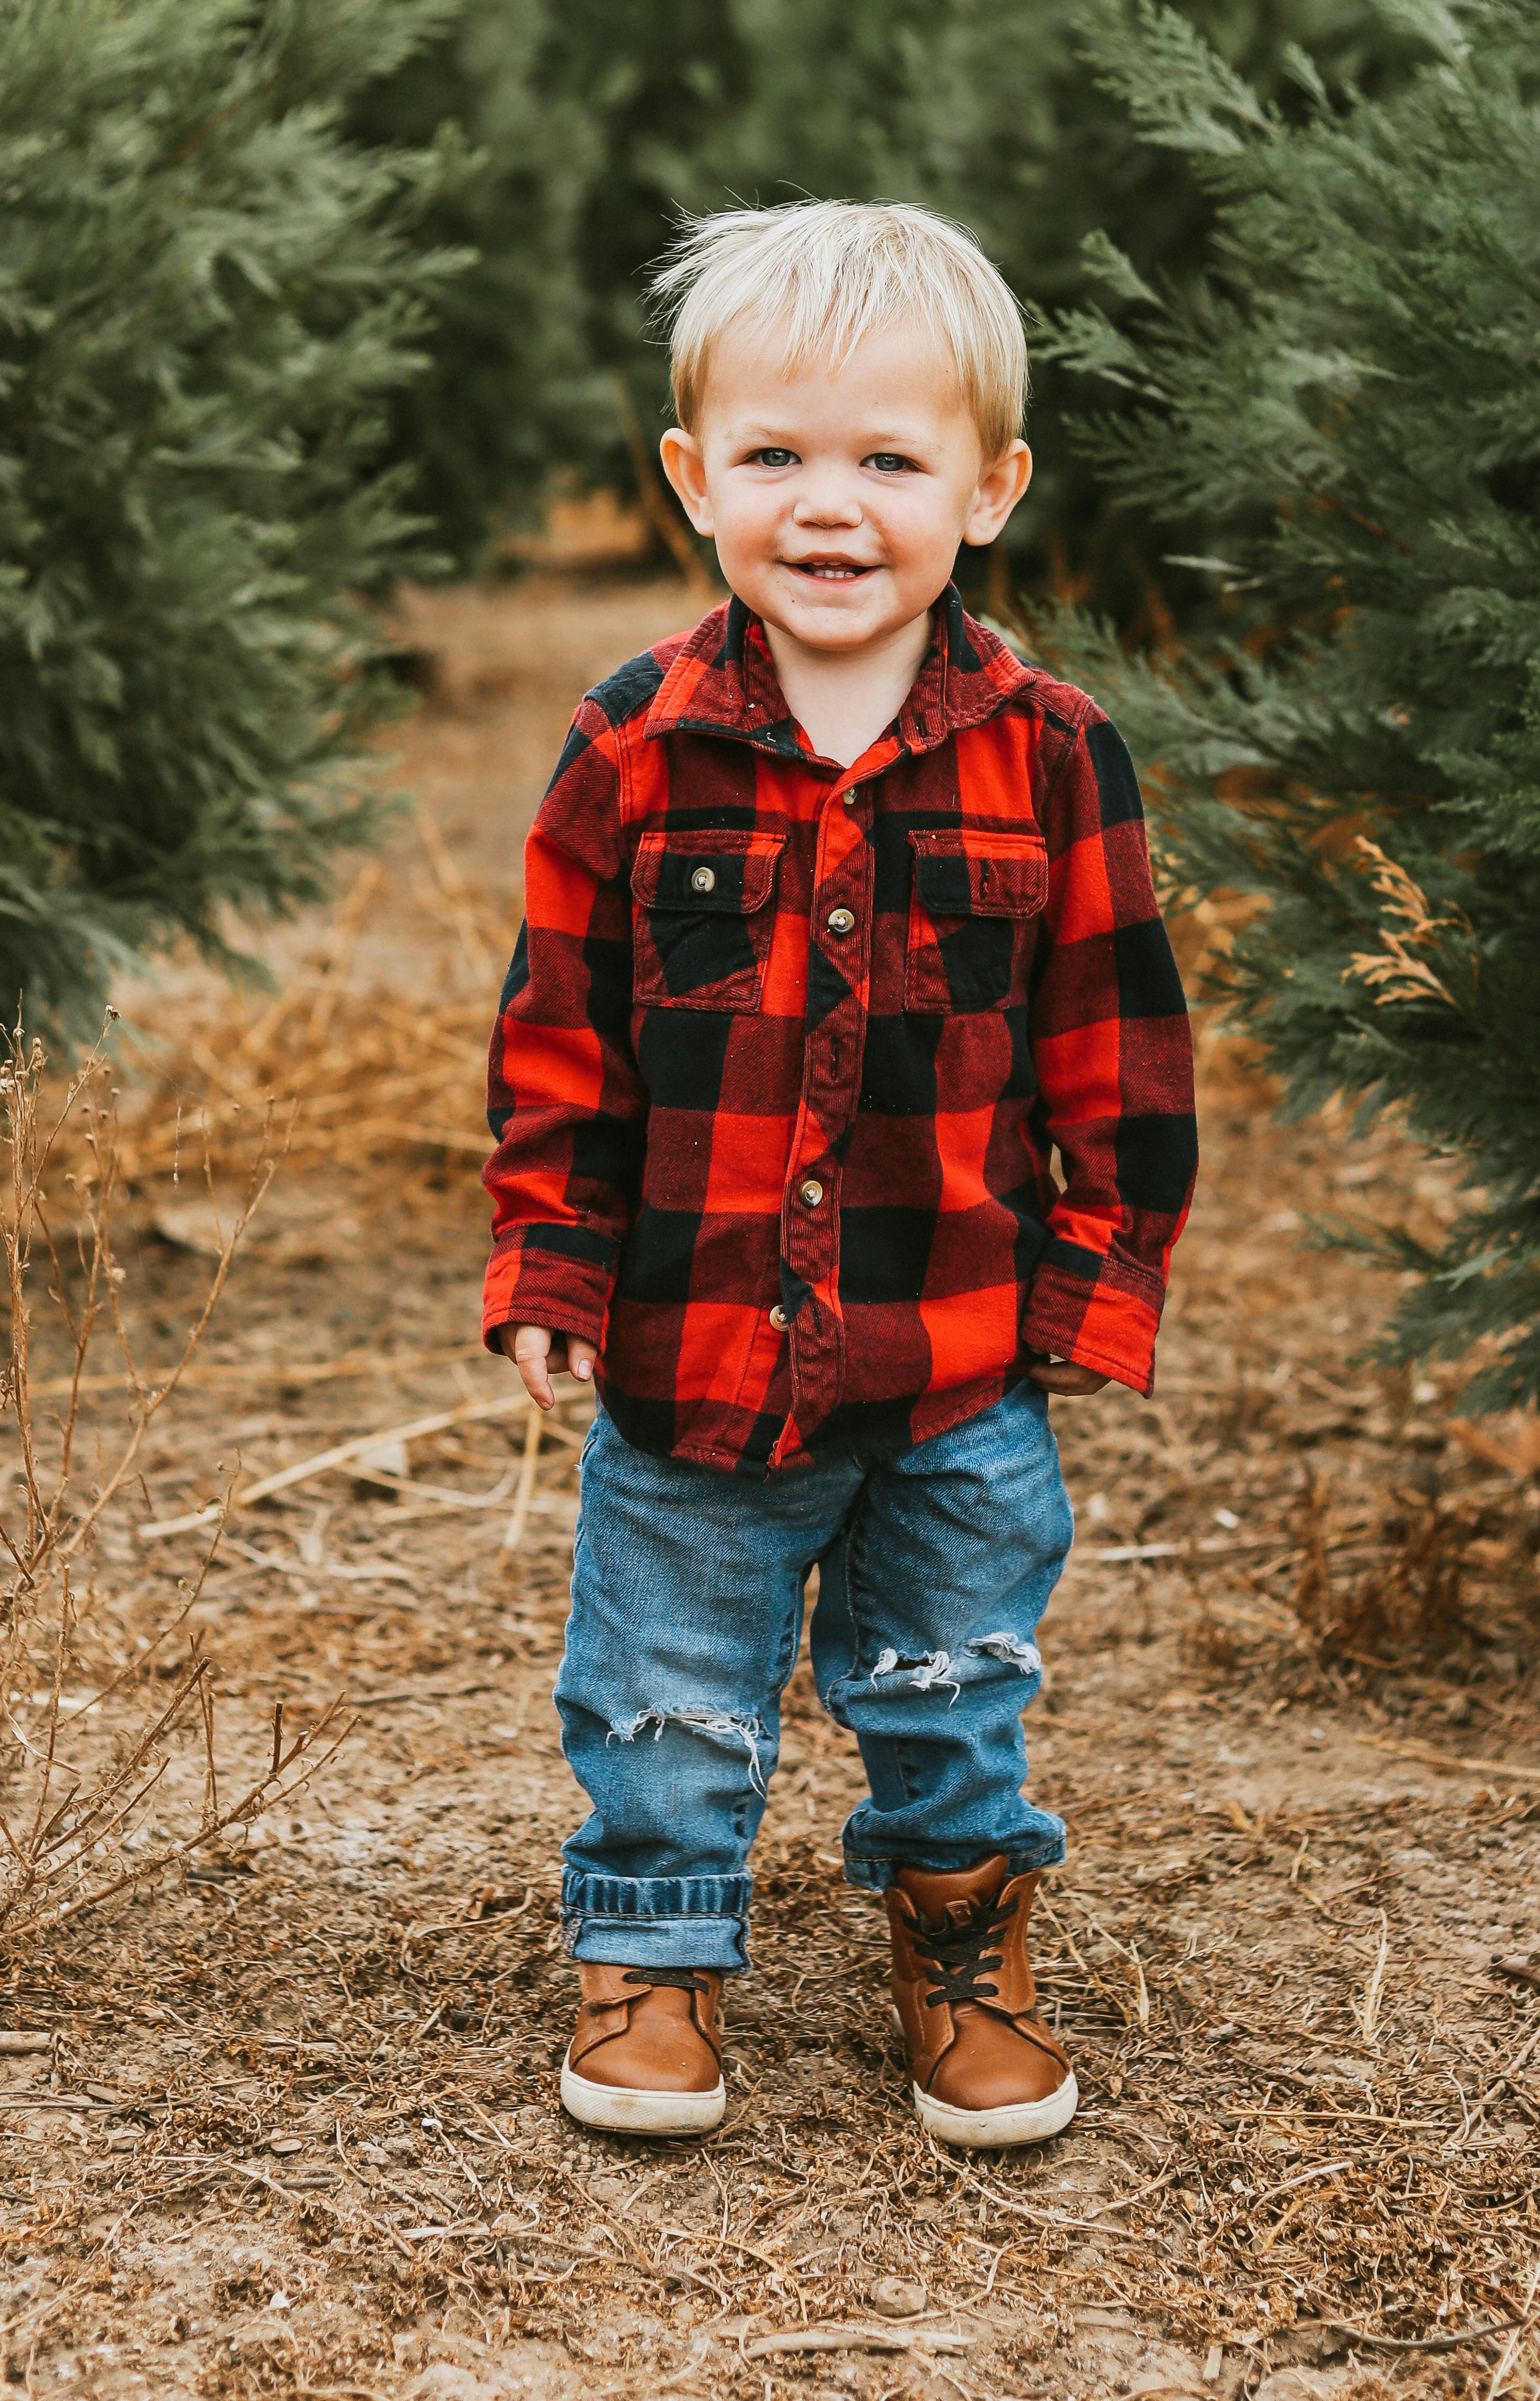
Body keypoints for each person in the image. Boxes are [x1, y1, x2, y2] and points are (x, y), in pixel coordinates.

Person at [482, 200, 1196, 2148]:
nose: (829, 504)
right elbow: (563, 1041)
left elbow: (1115, 1047)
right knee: (659, 1680)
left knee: (948, 1672)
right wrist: (552, 1268)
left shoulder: (1054, 754)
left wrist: (1089, 1288)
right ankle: (650, 1950)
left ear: (989, 488)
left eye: (890, 458)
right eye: (777, 455)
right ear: (689, 476)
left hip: (954, 1354)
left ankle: (961, 1941)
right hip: (693, 1351)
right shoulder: (630, 747)